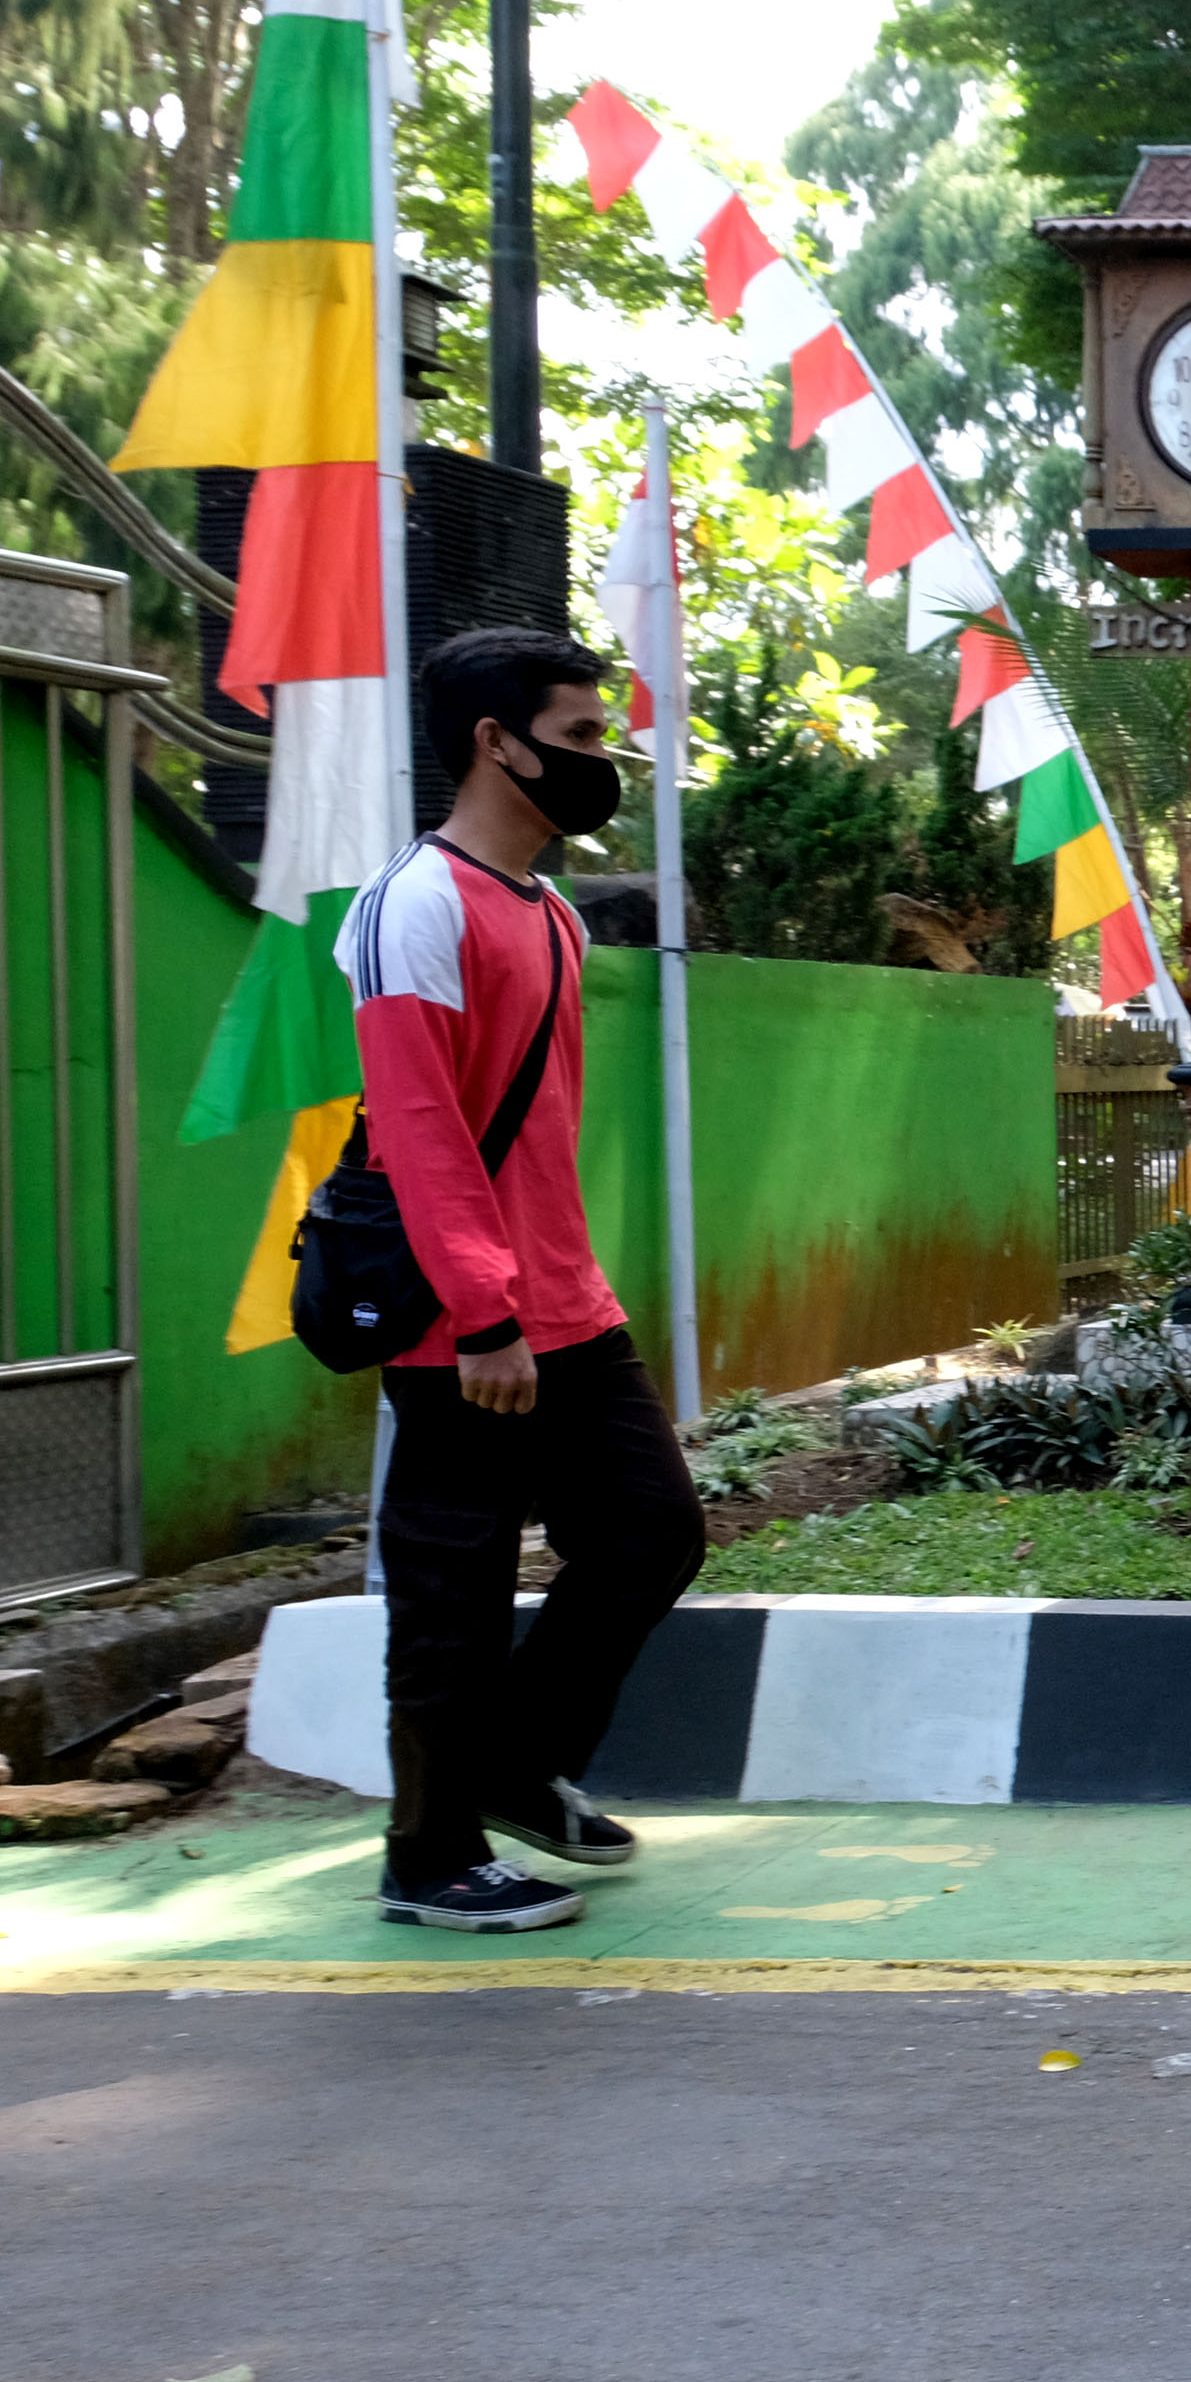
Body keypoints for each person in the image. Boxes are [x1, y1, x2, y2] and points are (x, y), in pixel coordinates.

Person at [344, 628, 707, 1933]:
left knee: (654, 1531)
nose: (603, 760)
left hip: (569, 1301)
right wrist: (484, 1310)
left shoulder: (550, 913)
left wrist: (552, 1290)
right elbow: (423, 1128)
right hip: (464, 1322)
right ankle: (427, 1856)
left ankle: (511, 1759)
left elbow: (537, 1132)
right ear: (499, 741)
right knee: (452, 1587)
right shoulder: (412, 905)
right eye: (583, 734)